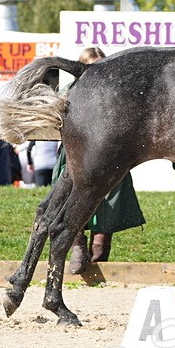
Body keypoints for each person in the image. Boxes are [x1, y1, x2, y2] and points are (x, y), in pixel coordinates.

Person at [57, 47, 147, 273]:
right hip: (78, 153)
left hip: (112, 154)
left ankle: (100, 247)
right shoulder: (71, 91)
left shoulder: (119, 93)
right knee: (73, 195)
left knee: (111, 199)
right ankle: (77, 244)